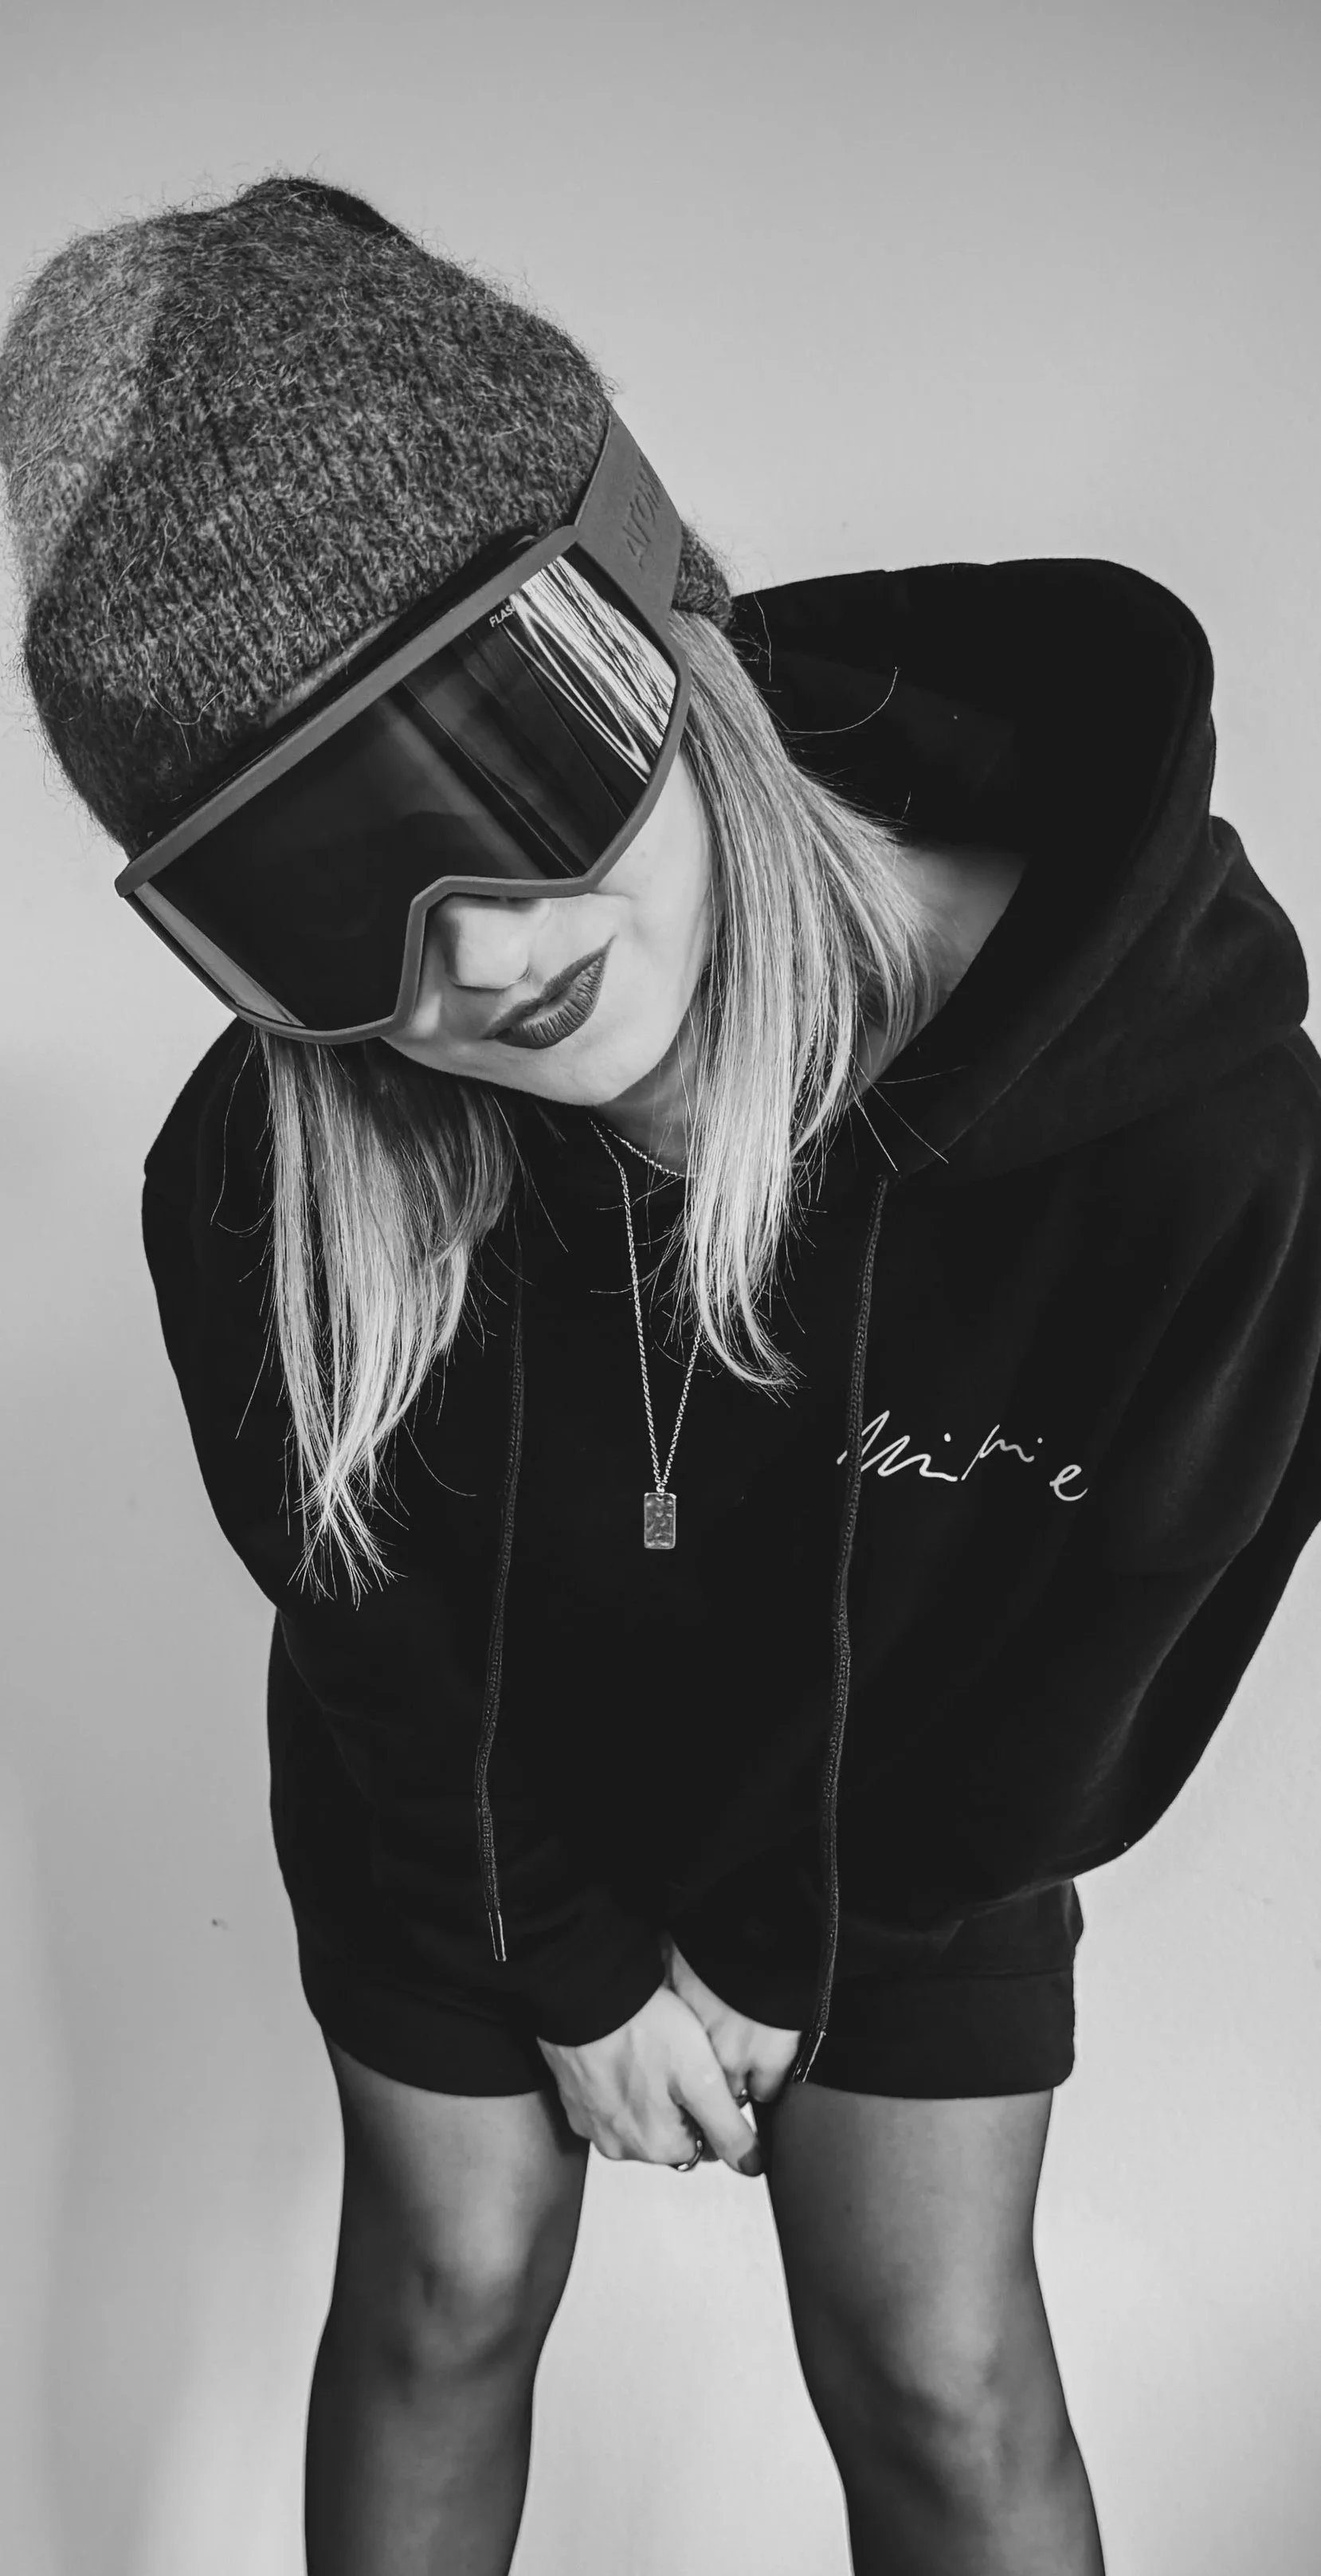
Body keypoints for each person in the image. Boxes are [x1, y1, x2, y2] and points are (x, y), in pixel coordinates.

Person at [2, 173, 1319, 2576]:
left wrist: (783, 1948)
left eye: (510, 760)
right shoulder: (273, 1183)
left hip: (920, 1804)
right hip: (471, 1781)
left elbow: (1102, 1680)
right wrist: (570, 1960)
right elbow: (372, 1627)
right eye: (322, 896)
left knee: (939, 2370)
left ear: (657, 613)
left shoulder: (1196, 1126)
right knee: (444, 2291)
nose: (487, 955)